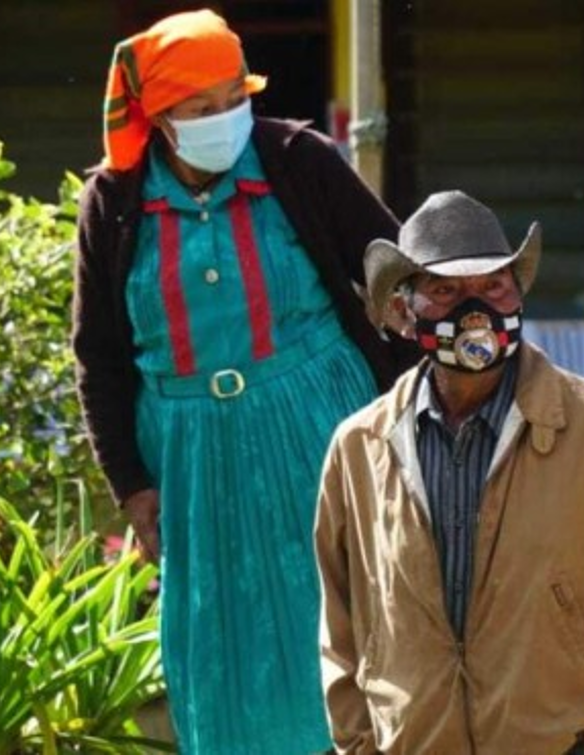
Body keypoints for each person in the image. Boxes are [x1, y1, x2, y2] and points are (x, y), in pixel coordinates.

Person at [71, 10, 415, 753]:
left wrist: (430, 415)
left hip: (321, 425)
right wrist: (131, 484)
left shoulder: (300, 160)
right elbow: (98, 354)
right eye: (199, 109)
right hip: (194, 456)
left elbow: (394, 278)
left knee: (355, 619)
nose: (223, 119)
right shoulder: (115, 202)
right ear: (159, 117)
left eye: (235, 97)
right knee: (224, 647)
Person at [314, 191, 584, 754]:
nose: (474, 308)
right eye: (446, 290)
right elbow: (341, 632)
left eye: (493, 285)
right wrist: (360, 744)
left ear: (518, 293)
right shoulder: (358, 447)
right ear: (405, 310)